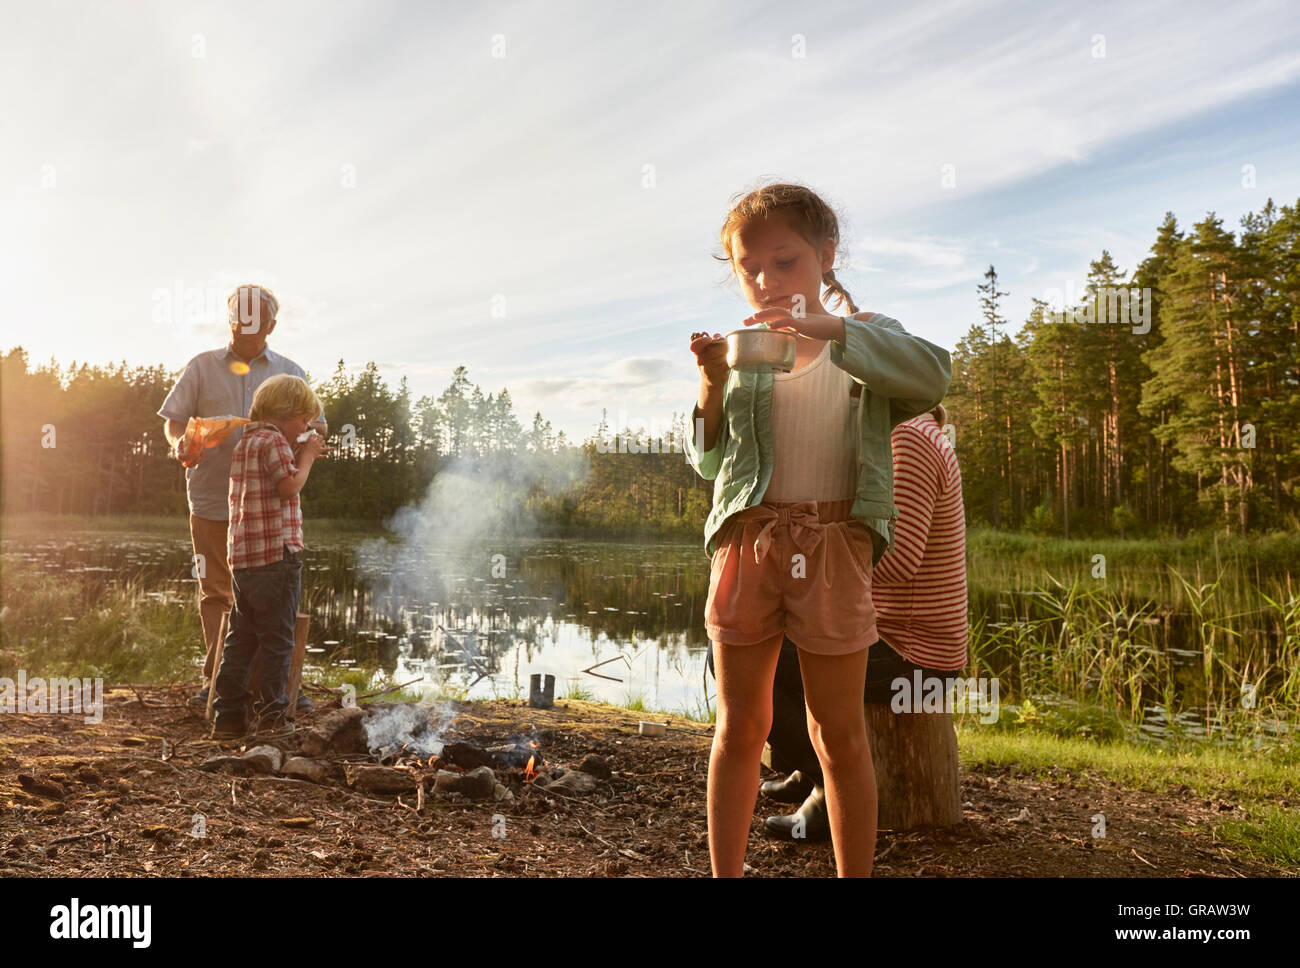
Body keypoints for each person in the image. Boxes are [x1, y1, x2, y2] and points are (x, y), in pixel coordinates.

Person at [686, 182, 951, 877]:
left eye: (786, 261)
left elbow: (934, 374)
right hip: (751, 540)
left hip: (834, 545)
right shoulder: (745, 353)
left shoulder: (866, 337)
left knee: (838, 732)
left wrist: (829, 328)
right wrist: (712, 384)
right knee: (740, 727)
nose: (767, 280)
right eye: (751, 268)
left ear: (825, 254)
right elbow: (707, 459)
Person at [759, 403, 970, 841]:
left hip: (912, 655)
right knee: (755, 642)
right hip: (897, 638)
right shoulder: (903, 431)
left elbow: (897, 560)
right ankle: (809, 764)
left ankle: (827, 783)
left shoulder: (907, 438)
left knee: (754, 657)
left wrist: (813, 553)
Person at [157, 284, 326, 711]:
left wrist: (305, 444)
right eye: (239, 322)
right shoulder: (200, 367)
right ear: (230, 321)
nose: (245, 330)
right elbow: (175, 422)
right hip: (214, 499)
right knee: (217, 592)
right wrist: (181, 444)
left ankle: (280, 685)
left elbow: (316, 426)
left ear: (270, 325)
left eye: (255, 323)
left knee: (274, 597)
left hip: (270, 509)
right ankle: (217, 683)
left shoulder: (290, 371)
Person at [211, 374, 327, 737]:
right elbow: (288, 486)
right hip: (277, 558)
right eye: (303, 421)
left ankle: (227, 716)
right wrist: (306, 457)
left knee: (241, 637)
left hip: (245, 561)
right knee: (278, 638)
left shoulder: (247, 442)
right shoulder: (275, 441)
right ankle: (274, 717)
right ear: (286, 413)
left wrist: (298, 450)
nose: (305, 427)